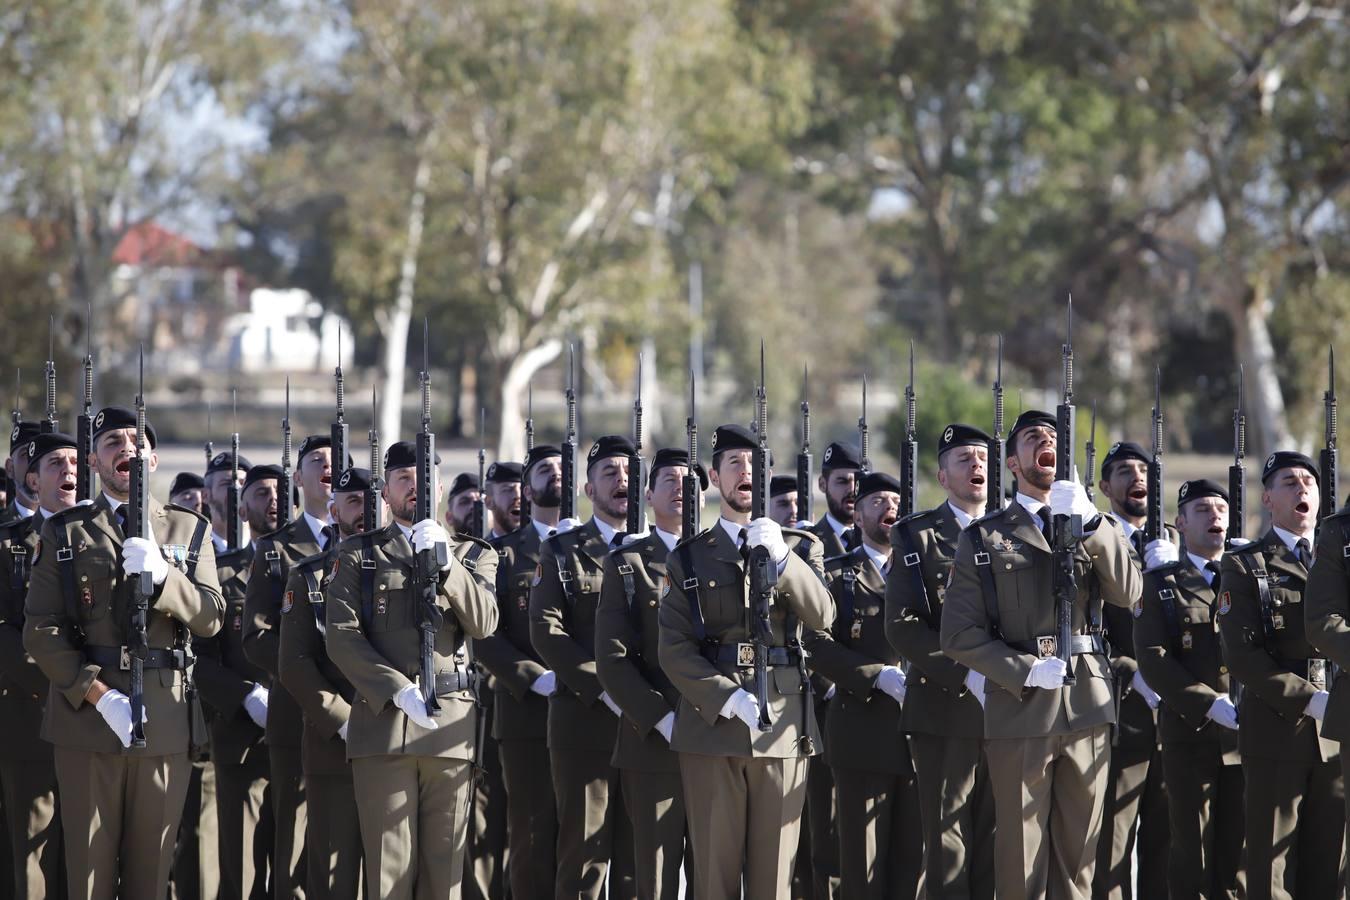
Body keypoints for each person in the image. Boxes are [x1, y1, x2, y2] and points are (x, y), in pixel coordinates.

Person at [23, 405, 225, 900]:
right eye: (112, 441)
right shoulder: (66, 531)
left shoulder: (187, 529)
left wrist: (165, 578)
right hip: (89, 720)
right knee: (87, 873)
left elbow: (212, 616)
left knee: (151, 873)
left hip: (165, 720)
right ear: (93, 461)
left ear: (153, 460)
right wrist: (97, 694)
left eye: (137, 442)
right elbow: (40, 629)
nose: (127, 449)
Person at [940, 409, 1140, 900]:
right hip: (1021, 710)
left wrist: (1092, 523)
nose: (1046, 441)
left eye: (1052, 436)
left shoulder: (1092, 526)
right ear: (1012, 462)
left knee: (1079, 859)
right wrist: (1025, 671)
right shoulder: (984, 536)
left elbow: (1129, 592)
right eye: (1032, 438)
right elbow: (958, 634)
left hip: (1088, 704)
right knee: (1020, 856)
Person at [657, 423, 834, 898]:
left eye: (755, 462)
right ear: (715, 478)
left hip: (783, 730)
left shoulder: (800, 547)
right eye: (734, 462)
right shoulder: (690, 557)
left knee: (773, 881)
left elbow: (823, 616)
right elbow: (673, 647)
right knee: (713, 878)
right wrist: (726, 696)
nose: (746, 471)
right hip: (713, 730)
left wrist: (782, 561)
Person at [325, 440, 499, 899]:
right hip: (384, 727)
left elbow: (483, 622)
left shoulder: (474, 554)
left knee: (445, 879)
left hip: (451, 729)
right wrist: (397, 690)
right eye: (403, 479)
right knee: (388, 877)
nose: (415, 488)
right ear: (385, 491)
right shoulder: (358, 555)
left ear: (439, 487)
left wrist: (446, 565)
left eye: (424, 479)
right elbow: (341, 636)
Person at [1218, 451, 1344, 899]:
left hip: (1336, 734)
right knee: (1271, 867)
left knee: (1329, 865)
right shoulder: (1245, 564)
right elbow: (1241, 655)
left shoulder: (1337, 560)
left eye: (1308, 480)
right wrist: (1309, 699)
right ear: (1267, 498)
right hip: (1276, 728)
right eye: (1289, 481)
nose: (1302, 487)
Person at [886, 423, 994, 899]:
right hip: (944, 708)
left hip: (1010, 707)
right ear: (942, 476)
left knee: (997, 837)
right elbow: (904, 624)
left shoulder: (1012, 531)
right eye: (964, 458)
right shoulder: (917, 536)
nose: (976, 466)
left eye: (983, 458)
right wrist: (966, 673)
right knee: (948, 841)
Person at [529, 435, 638, 899]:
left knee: (640, 863)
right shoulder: (561, 550)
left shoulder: (663, 552)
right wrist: (606, 687)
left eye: (630, 473)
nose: (622, 481)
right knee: (583, 858)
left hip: (648, 726)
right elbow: (545, 629)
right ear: (589, 489)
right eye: (609, 473)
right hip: (583, 723)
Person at [807, 470, 924, 898]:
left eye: (895, 501)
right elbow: (814, 645)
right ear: (856, 514)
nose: (889, 508)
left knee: (913, 868)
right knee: (861, 868)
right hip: (861, 737)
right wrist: (874, 677)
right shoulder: (838, 575)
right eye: (877, 502)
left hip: (920, 735)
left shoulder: (920, 572)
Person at [596, 447, 703, 898]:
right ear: (648, 495)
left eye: (690, 481)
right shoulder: (627, 562)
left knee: (713, 876)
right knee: (655, 879)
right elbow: (612, 659)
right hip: (653, 741)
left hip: (716, 738)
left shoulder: (725, 558)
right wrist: (662, 719)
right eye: (670, 482)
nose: (681, 489)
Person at [1133, 479, 1244, 898]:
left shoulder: (1246, 576)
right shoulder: (1161, 582)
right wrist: (1206, 703)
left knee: (1238, 852)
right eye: (1202, 509)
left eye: (1220, 508)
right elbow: (1153, 658)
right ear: (1180, 522)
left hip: (1245, 736)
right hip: (1188, 735)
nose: (1214, 515)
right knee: (1191, 850)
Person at [242, 434, 341, 898]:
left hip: (359, 713)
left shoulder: (364, 544)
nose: (327, 465)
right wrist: (305, 666)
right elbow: (256, 637)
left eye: (334, 459)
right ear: (297, 479)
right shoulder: (276, 550)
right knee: (294, 833)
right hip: (296, 714)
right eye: (315, 460)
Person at [278, 466, 379, 900]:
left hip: (397, 741)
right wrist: (343, 721)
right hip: (334, 744)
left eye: (372, 502)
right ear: (334, 511)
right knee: (332, 872)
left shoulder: (410, 570)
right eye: (354, 502)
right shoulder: (309, 575)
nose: (365, 512)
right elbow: (295, 663)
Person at [474, 444, 562, 898]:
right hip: (526, 714)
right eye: (546, 469)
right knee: (530, 835)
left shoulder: (596, 548)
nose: (557, 474)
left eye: (564, 467)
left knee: (585, 838)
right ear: (527, 491)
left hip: (590, 712)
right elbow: (484, 634)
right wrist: (533, 676)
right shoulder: (503, 555)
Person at [195, 463, 284, 900]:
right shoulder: (222, 573)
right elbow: (200, 662)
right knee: (243, 872)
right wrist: (246, 696)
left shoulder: (309, 567)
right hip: (241, 742)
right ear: (242, 507)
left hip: (301, 738)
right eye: (260, 493)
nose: (272, 501)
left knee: (296, 872)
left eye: (278, 492)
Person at [0, 432, 77, 898]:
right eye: (55, 464)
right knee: (31, 847)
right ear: (31, 479)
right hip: (33, 710)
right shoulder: (11, 542)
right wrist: (63, 684)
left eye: (75, 462)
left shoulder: (106, 535)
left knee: (88, 849)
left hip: (99, 713)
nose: (69, 472)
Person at [1092, 441, 1170, 899]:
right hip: (1121, 711)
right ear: (1105, 487)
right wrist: (1132, 672)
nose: (1137, 478)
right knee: (1113, 844)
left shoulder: (1174, 543)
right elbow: (1087, 629)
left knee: (1168, 840)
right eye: (1124, 471)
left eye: (1143, 470)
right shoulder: (1094, 539)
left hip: (1176, 717)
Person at [204, 451, 252, 555]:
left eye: (243, 483)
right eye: (226, 483)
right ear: (206, 495)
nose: (237, 490)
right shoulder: (198, 550)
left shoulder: (265, 547)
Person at [485, 461, 523, 539]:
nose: (518, 496)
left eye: (522, 489)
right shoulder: (480, 550)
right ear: (489, 502)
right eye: (507, 490)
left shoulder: (545, 548)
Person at [445, 472, 482, 537]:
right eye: (464, 502)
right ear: (449, 517)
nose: (473, 506)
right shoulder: (444, 547)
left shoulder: (505, 546)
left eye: (480, 501)